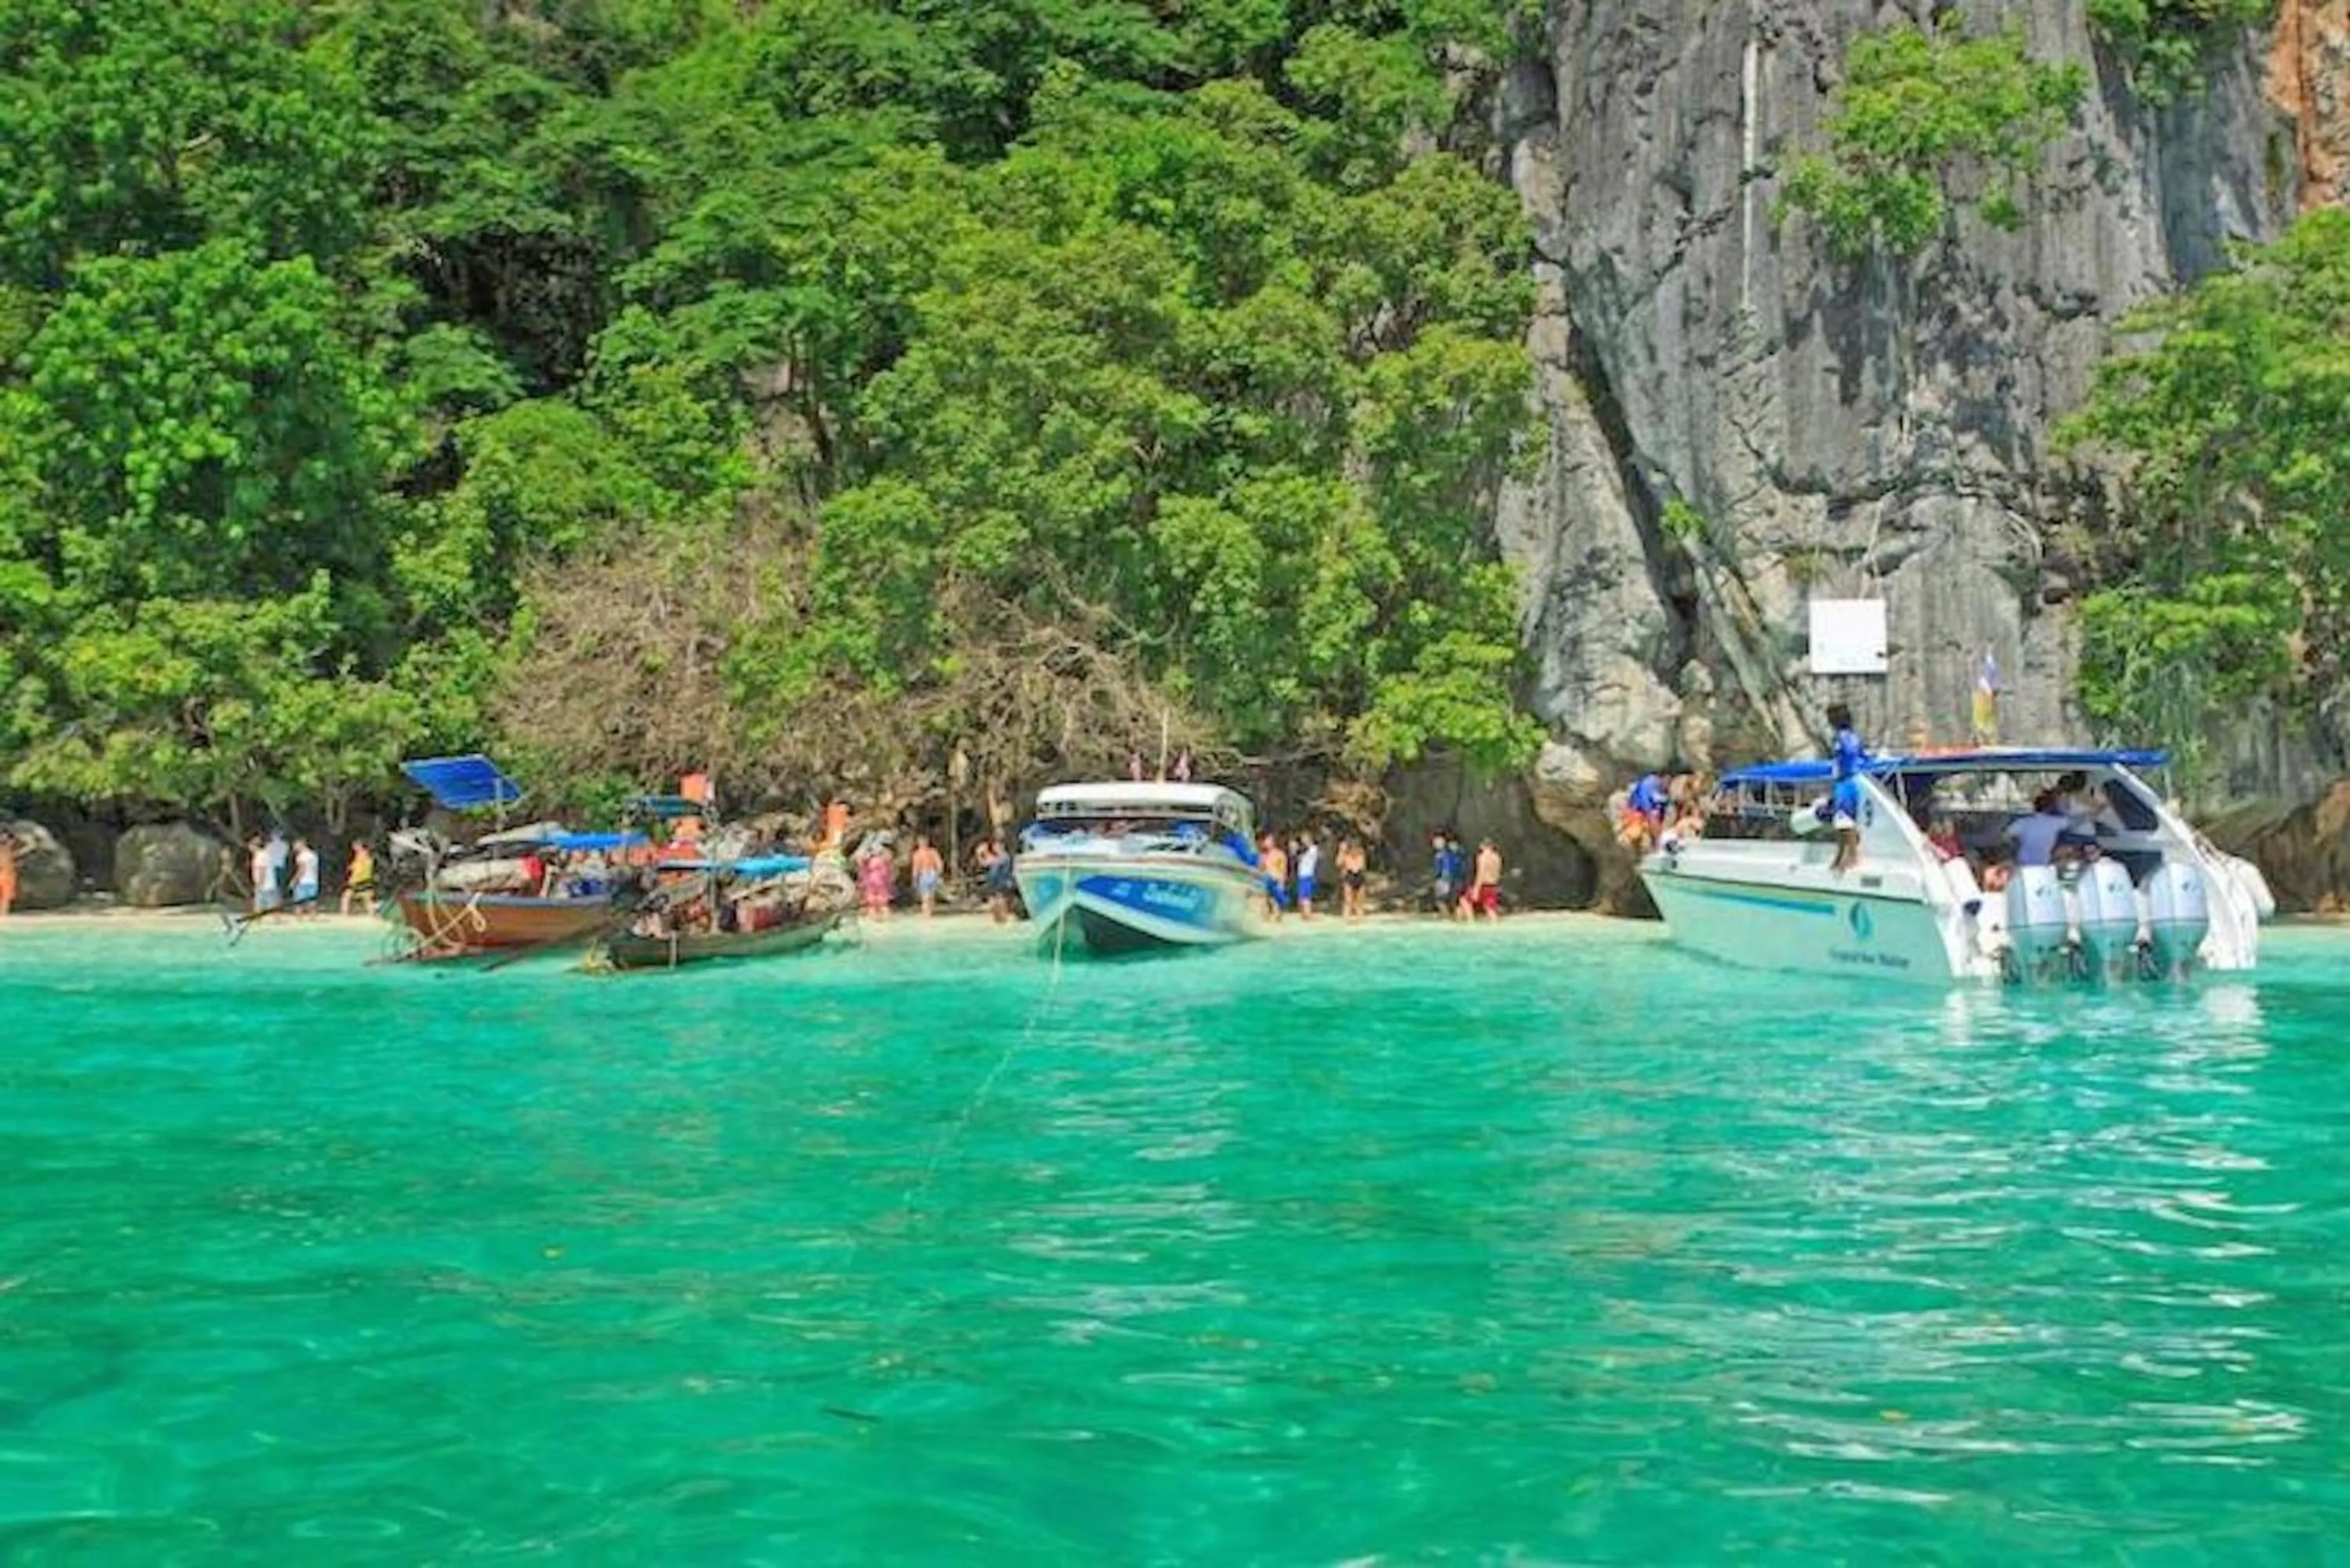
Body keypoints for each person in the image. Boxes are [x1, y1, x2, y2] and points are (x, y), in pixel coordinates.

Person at [1827, 702, 1867, 874]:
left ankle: (1852, 856)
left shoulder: (1840, 738)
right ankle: (1841, 855)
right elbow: (1862, 756)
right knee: (1842, 821)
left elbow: (1843, 760)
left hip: (1846, 780)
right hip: (1854, 779)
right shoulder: (1854, 736)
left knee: (1844, 821)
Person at [2006, 789, 2070, 869]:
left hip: (2022, 863)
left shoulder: (2022, 822)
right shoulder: (2057, 822)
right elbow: (2072, 822)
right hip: (2043, 863)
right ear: (2051, 807)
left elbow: (2005, 835)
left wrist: (2016, 845)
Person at [1462, 838, 1503, 922]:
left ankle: (1471, 922)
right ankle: (1495, 925)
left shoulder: (1482, 857)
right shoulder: (1497, 857)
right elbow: (1497, 873)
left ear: (1482, 846)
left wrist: (1476, 889)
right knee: (1490, 908)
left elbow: (1481, 873)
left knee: (1465, 900)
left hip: (1483, 885)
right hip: (1493, 885)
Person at [978, 837, 1016, 923]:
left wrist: (984, 853)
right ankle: (999, 919)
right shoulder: (998, 857)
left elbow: (990, 862)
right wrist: (981, 855)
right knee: (995, 901)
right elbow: (984, 864)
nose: (995, 848)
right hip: (994, 883)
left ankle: (1003, 918)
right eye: (994, 846)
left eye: (997, 846)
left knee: (1000, 900)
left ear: (1002, 846)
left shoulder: (1004, 857)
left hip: (1002, 882)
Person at [859, 840, 895, 921]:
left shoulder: (870, 861)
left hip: (872, 883)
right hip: (879, 883)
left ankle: (875, 921)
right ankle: (886, 921)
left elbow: (863, 869)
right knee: (882, 905)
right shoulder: (883, 861)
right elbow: (888, 873)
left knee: (873, 905)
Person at [910, 834, 945, 916]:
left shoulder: (917, 854)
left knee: (925, 895)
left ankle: (926, 913)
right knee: (931, 895)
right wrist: (939, 874)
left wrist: (915, 878)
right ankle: (930, 911)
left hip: (925, 874)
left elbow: (916, 867)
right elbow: (939, 864)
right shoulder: (933, 852)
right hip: (932, 873)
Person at [341, 840, 377, 916]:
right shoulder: (364, 856)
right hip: (364, 879)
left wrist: (352, 877)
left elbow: (360, 868)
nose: (353, 848)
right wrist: (351, 868)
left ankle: (345, 913)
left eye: (355, 846)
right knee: (366, 898)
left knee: (347, 896)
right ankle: (372, 914)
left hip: (359, 880)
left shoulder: (362, 855)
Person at [1337, 836, 1368, 920]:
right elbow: (1338, 863)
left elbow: (1363, 866)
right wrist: (1342, 851)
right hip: (1350, 875)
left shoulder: (1361, 852)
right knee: (1348, 900)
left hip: (1359, 875)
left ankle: (1360, 918)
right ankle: (1346, 918)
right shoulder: (1345, 854)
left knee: (1359, 901)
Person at [1259, 834, 1288, 922]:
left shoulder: (1279, 854)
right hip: (1266, 879)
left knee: (1276, 901)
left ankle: (1278, 919)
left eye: (1268, 841)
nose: (1265, 843)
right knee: (1265, 900)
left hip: (1277, 878)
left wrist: (1281, 880)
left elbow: (1283, 868)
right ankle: (1266, 919)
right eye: (1265, 841)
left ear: (1272, 842)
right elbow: (1260, 868)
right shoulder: (1263, 855)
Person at [248, 834, 280, 915]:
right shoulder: (264, 855)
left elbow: (262, 871)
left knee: (261, 904)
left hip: (265, 885)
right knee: (268, 905)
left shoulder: (260, 856)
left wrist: (259, 884)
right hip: (269, 884)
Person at [290, 837, 321, 913]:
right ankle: (313, 917)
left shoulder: (301, 857)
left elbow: (301, 870)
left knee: (299, 901)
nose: (294, 847)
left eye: (295, 845)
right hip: (313, 880)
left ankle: (299, 917)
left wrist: (294, 880)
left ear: (301, 845)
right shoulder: (313, 855)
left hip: (303, 881)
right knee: (312, 900)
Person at [1294, 832, 1321, 919]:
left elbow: (1304, 856)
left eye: (1305, 839)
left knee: (1306, 896)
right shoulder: (1304, 850)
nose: (1303, 841)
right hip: (1302, 874)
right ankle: (1304, 913)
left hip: (1307, 874)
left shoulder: (1313, 849)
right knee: (1302, 896)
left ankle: (1307, 914)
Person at [0, 826, 18, 919]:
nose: (3, 837)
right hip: (4, 874)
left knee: (6, 898)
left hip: (8, 875)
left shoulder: (9, 846)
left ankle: (3, 916)